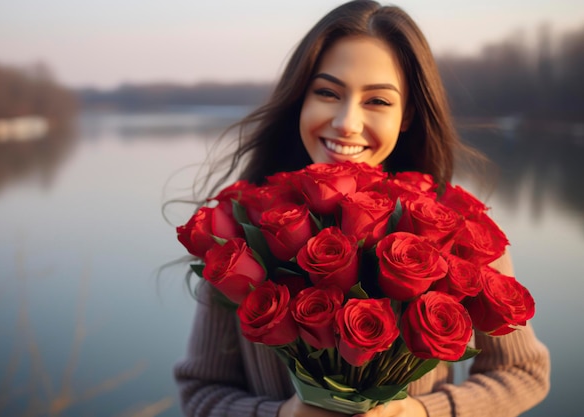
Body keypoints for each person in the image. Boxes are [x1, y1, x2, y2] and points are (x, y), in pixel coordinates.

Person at [173, 1, 550, 416]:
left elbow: (523, 372)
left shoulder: (460, 232)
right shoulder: (243, 231)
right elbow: (201, 392)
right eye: (328, 93)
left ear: (407, 115)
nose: (347, 122)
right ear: (300, 98)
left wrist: (423, 414)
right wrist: (280, 415)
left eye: (378, 101)